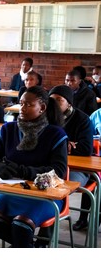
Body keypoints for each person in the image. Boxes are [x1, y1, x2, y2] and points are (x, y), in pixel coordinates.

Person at [0, 86, 68, 248]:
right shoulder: (8, 129)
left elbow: (58, 171)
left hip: (45, 193)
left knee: (21, 226)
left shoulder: (55, 134)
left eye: (28, 104)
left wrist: (22, 171)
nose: (22, 108)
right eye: (21, 103)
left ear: (42, 108)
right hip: (14, 189)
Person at [48, 85, 94, 233]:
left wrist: (59, 145)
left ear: (69, 103)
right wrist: (67, 145)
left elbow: (86, 149)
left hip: (77, 168)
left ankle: (46, 235)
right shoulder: (46, 117)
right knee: (34, 186)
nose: (54, 104)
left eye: (59, 100)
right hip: (52, 165)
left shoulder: (82, 119)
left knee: (58, 189)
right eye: (52, 100)